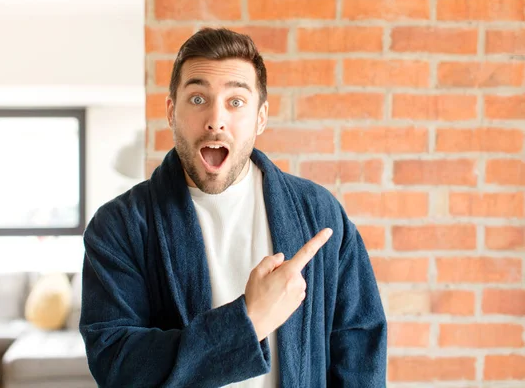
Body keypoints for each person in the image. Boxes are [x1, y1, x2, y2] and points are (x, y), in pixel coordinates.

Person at [80, 27, 387, 387]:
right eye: (197, 99)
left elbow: (360, 348)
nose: (215, 119)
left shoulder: (318, 213)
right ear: (171, 112)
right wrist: (249, 320)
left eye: (236, 102)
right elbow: (115, 363)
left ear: (260, 117)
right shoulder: (119, 226)